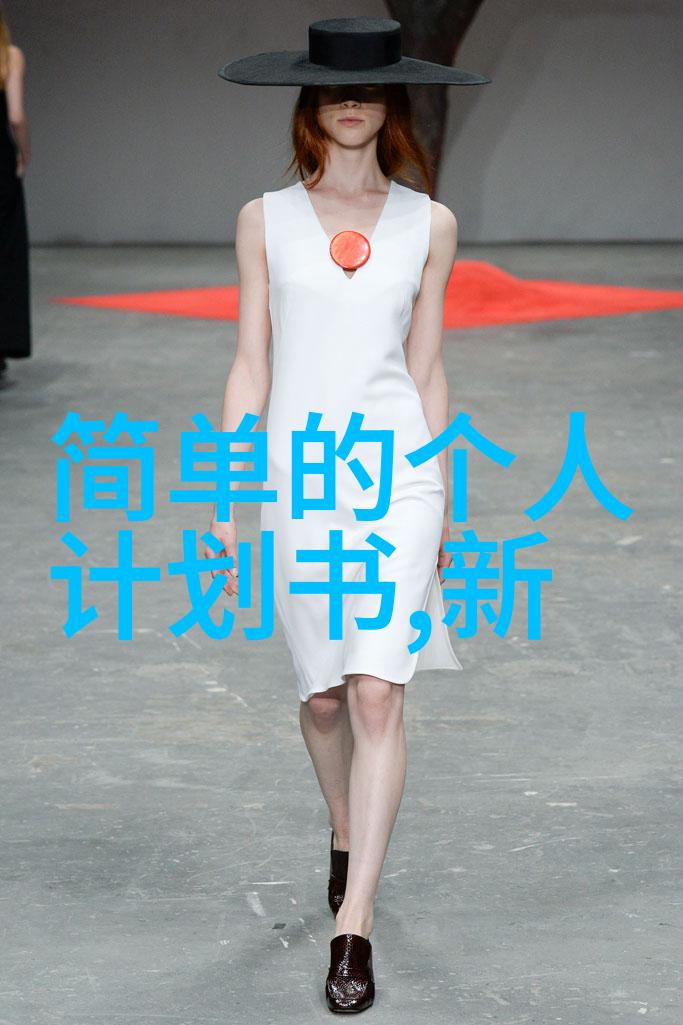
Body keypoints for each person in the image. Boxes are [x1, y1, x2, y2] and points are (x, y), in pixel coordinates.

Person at [211, 17, 490, 1013]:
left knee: (376, 693)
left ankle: (353, 922)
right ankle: (342, 825)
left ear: (391, 102)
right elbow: (250, 363)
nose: (352, 104)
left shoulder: (429, 223)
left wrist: (442, 496)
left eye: (368, 89)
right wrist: (229, 493)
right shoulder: (265, 220)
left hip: (394, 478)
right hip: (298, 477)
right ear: (309, 101)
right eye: (335, 89)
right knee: (326, 698)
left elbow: (426, 367)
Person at [0, 5, 31, 383]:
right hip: (1, 163)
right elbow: (16, 116)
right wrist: (25, 152)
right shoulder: (9, 55)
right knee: (4, 252)